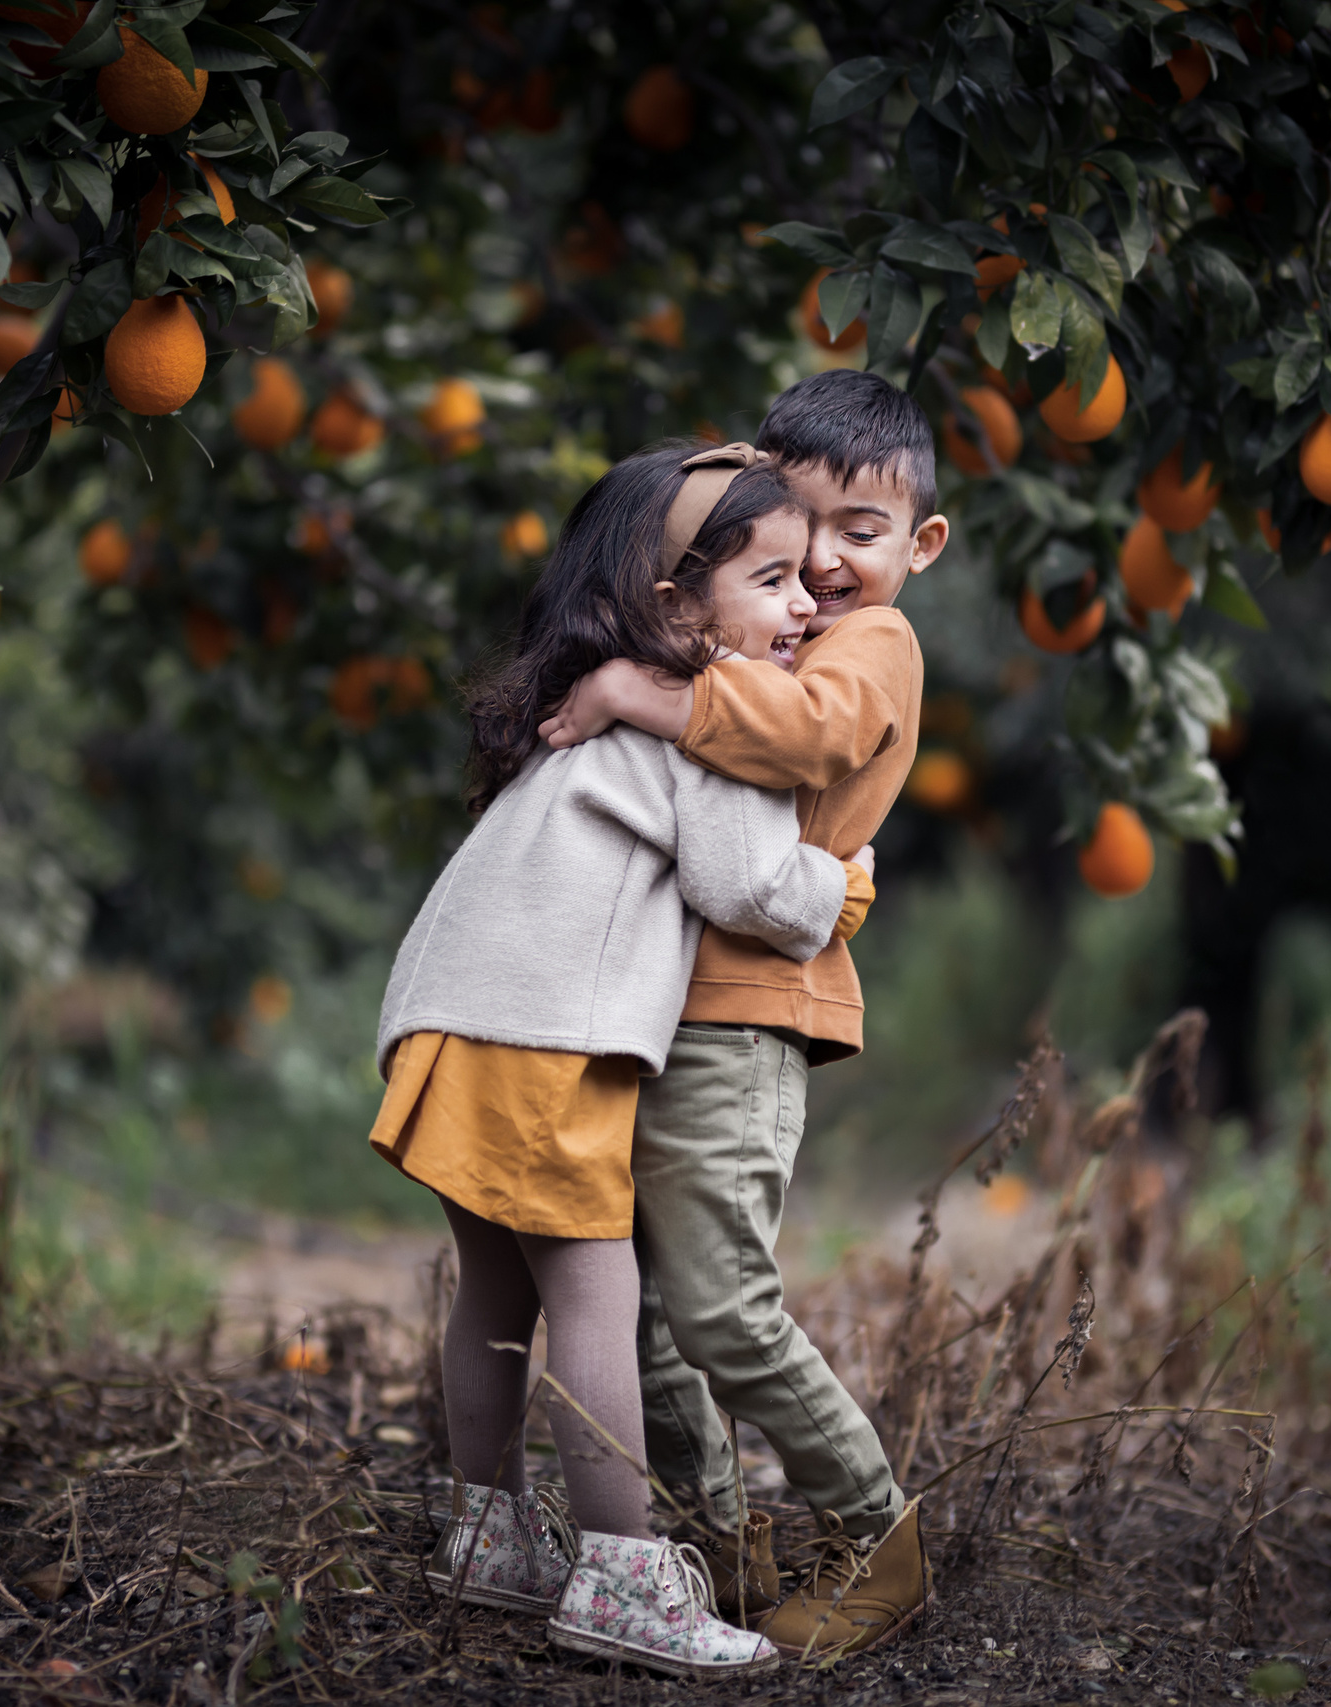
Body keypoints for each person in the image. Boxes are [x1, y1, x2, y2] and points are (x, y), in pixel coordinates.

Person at [368, 440, 877, 1679]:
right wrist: (843, 883)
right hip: (549, 1036)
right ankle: (623, 1577)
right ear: (678, 607)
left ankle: (486, 1536)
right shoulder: (716, 716)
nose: (804, 605)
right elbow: (746, 885)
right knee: (598, 1300)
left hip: (450, 1018)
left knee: (495, 1297)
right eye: (770, 581)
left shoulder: (596, 701)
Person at [535, 370, 949, 1655]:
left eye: (860, 533)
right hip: (661, 1001)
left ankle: (877, 1538)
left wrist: (643, 692)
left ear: (922, 545)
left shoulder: (872, 646)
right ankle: (704, 1545)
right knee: (641, 1310)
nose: (822, 562)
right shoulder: (777, 624)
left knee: (720, 1304)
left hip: (752, 1007)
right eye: (799, 525)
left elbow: (808, 736)